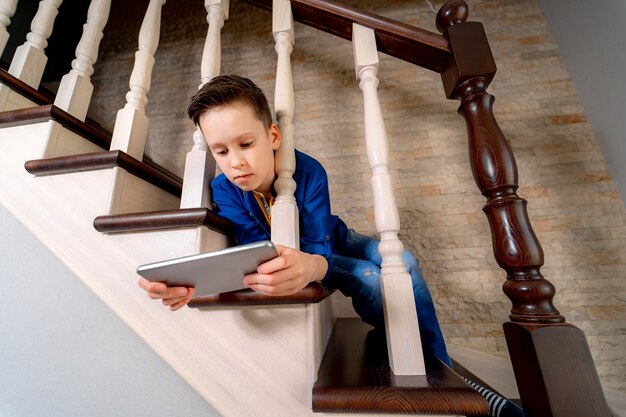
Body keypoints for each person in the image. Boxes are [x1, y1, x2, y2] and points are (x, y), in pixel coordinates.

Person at [138, 74, 523, 417]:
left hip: (332, 240)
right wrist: (195, 284)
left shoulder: (308, 172)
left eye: (246, 143)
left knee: (404, 261)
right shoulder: (224, 190)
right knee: (372, 277)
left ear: (273, 137)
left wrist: (313, 265)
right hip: (305, 256)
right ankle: (425, 360)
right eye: (221, 151)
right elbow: (256, 250)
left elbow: (320, 250)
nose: (236, 162)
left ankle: (442, 369)